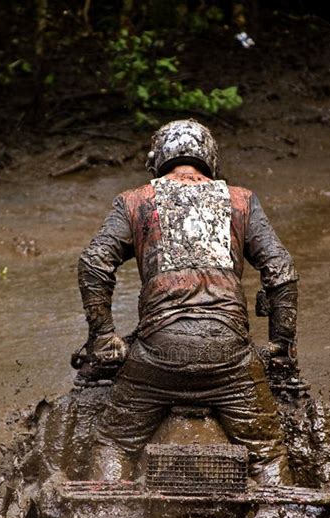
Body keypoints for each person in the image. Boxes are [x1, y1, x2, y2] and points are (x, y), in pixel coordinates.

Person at [77, 119, 298, 486]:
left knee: (116, 441)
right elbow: (282, 272)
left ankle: (107, 515)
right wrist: (281, 346)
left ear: (158, 160)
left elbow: (93, 263)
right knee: (267, 450)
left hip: (157, 355)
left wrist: (103, 338)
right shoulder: (240, 201)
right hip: (229, 356)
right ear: (209, 159)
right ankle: (278, 513)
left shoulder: (135, 201)